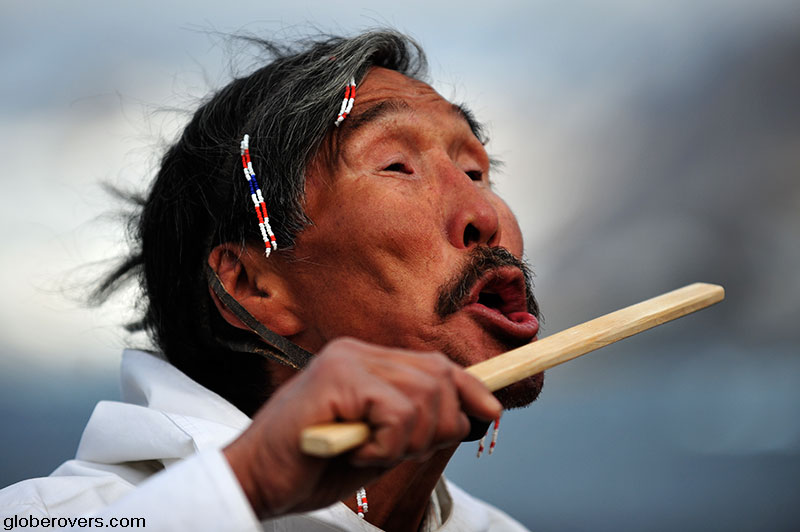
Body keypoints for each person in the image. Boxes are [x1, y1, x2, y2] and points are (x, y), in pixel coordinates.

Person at [0, 30, 542, 531]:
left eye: (476, 172)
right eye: (397, 165)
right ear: (253, 285)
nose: (484, 215)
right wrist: (248, 485)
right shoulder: (52, 516)